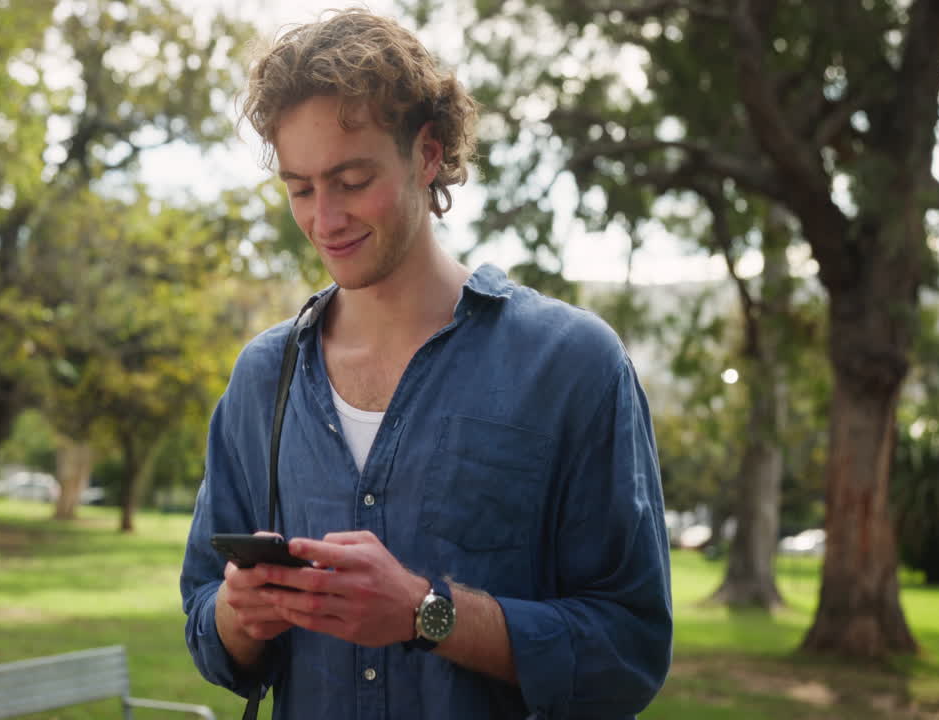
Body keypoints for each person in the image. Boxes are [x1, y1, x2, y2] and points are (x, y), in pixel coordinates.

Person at [181, 10, 672, 719]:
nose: (325, 220)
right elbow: (206, 625)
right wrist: (238, 614)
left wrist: (424, 613)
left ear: (428, 155)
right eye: (300, 188)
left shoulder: (571, 366)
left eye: (352, 180)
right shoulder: (264, 376)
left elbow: (628, 653)